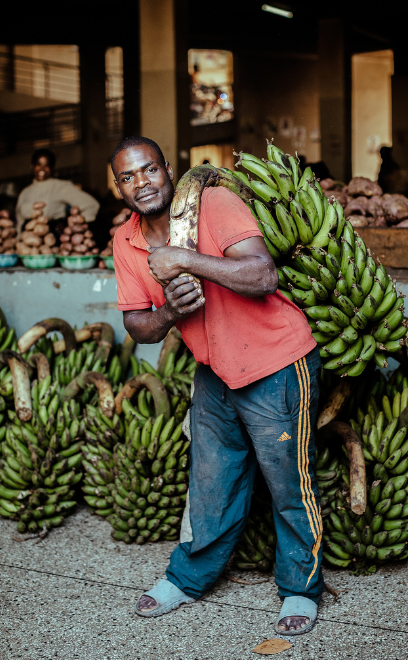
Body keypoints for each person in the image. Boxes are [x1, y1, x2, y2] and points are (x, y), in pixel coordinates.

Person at [111, 136, 324, 636]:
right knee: (209, 483)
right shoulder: (126, 241)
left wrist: (184, 261)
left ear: (167, 169)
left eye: (149, 171)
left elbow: (262, 274)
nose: (141, 183)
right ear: (117, 186)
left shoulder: (214, 203)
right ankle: (186, 579)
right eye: (127, 176)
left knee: (288, 484)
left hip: (277, 360)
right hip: (215, 368)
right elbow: (138, 326)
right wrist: (169, 310)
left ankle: (300, 588)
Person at [15, 148, 100, 233]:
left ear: (52, 168)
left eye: (47, 165)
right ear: (32, 166)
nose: (42, 169)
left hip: (53, 239)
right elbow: (19, 221)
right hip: (26, 241)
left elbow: (91, 205)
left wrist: (73, 226)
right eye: (38, 164)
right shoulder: (25, 192)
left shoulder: (60, 186)